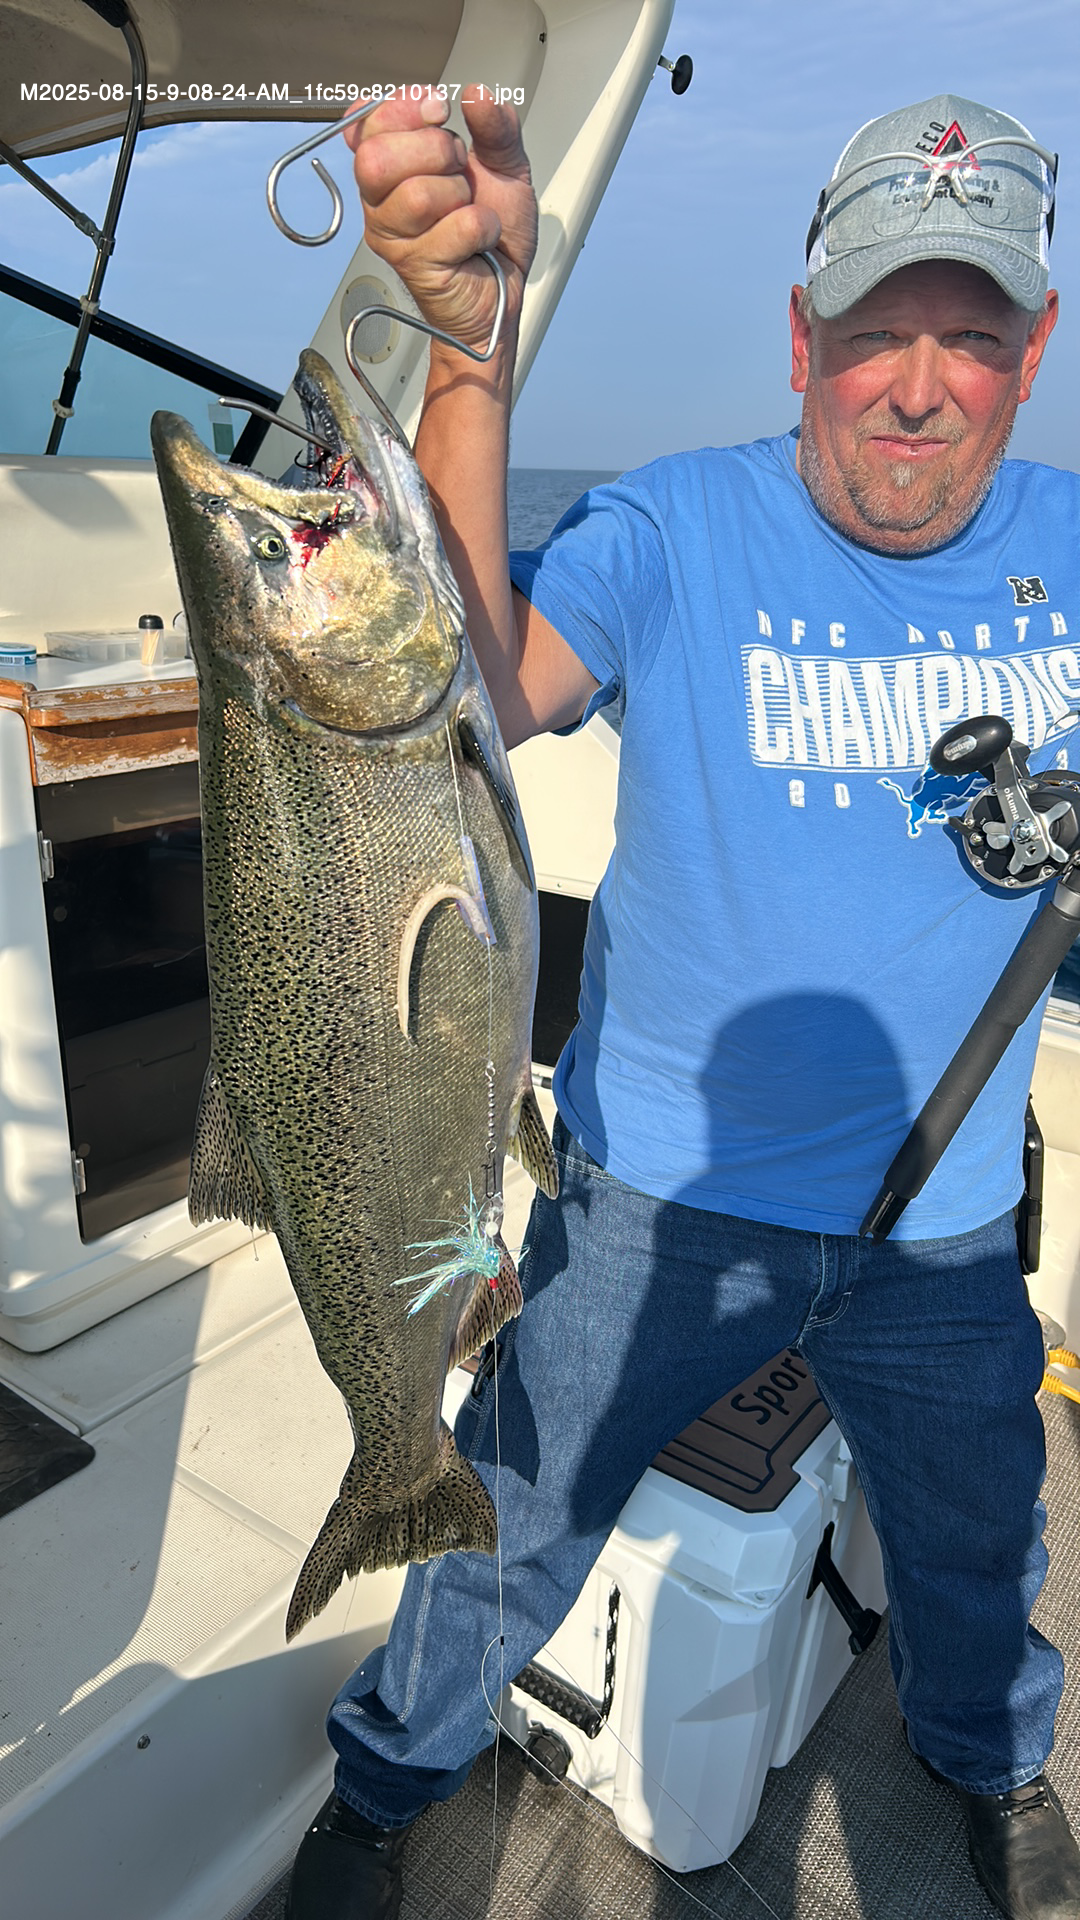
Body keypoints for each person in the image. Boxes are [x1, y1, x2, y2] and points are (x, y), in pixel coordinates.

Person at [285, 91, 1080, 1920]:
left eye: (967, 336)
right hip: (650, 1199)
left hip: (941, 1227)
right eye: (874, 330)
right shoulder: (674, 526)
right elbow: (475, 688)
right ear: (802, 341)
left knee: (976, 1537)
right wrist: (469, 344)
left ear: (1033, 355)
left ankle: (990, 1760)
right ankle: (385, 1785)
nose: (915, 383)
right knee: (511, 1521)